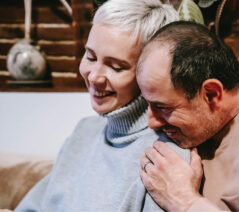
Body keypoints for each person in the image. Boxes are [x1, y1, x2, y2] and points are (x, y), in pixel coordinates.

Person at [15, 1, 190, 211]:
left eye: (116, 67)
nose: (94, 76)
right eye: (90, 56)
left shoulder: (164, 159)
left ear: (154, 75)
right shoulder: (84, 131)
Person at [137, 21, 239, 211]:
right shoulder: (196, 128)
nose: (151, 122)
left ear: (211, 94)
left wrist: (184, 200)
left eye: (163, 108)